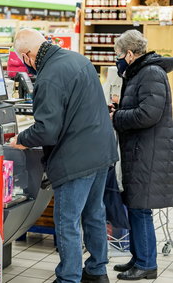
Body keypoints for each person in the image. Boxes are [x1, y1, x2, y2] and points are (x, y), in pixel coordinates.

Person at [9, 29, 118, 283]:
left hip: (75, 159)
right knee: (94, 214)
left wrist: (21, 140)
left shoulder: (49, 76)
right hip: (100, 151)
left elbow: (47, 130)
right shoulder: (77, 59)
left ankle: (68, 277)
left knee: (67, 221)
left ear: (28, 55)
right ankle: (97, 271)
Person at [111, 29, 173, 280]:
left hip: (148, 152)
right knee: (135, 206)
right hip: (140, 149)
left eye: (118, 54)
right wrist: (121, 107)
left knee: (141, 208)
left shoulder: (150, 73)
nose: (116, 59)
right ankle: (138, 258)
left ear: (128, 53)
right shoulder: (141, 72)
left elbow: (148, 114)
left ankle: (147, 265)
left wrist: (117, 117)